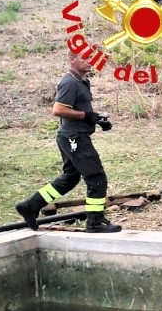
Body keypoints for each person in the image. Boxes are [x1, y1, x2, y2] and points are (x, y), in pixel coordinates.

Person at [15, 50, 121, 233]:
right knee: (96, 177)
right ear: (72, 60)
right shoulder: (70, 82)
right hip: (73, 137)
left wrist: (94, 119)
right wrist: (85, 115)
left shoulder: (81, 80)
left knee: (70, 178)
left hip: (72, 135)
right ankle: (95, 222)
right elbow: (58, 109)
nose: (90, 61)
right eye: (85, 58)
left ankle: (30, 206)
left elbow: (77, 110)